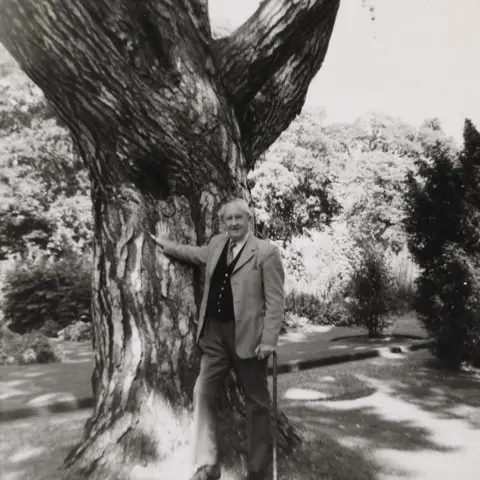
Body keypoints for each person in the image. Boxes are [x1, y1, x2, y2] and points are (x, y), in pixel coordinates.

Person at [150, 197, 285, 480]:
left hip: (249, 336)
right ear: (222, 222)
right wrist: (167, 245)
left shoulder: (266, 252)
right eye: (228, 219)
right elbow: (195, 254)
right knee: (203, 392)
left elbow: (276, 300)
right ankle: (207, 465)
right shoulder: (216, 244)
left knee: (257, 403)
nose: (233, 223)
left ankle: (258, 470)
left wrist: (270, 339)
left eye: (239, 218)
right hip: (214, 335)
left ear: (249, 220)